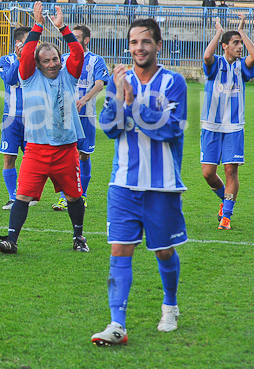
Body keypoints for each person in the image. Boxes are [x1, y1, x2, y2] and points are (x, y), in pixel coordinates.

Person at [92, 18, 187, 346]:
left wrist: (133, 103)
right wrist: (118, 98)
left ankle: (170, 306)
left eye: (145, 42)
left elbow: (170, 128)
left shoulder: (174, 82)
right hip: (123, 183)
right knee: (120, 249)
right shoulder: (122, 81)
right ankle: (117, 323)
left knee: (163, 251)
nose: (139, 48)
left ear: (158, 45)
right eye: (133, 42)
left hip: (161, 184)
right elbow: (108, 128)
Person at [0, 2, 88, 254]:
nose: (53, 63)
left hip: (66, 148)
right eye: (46, 61)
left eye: (55, 58)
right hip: (36, 149)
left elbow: (77, 54)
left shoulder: (69, 75)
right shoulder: (29, 77)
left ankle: (79, 237)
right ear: (37, 63)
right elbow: (29, 51)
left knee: (74, 197)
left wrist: (63, 28)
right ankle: (11, 241)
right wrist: (38, 25)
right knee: (22, 196)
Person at [200, 14, 254, 231]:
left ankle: (227, 217)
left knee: (231, 171)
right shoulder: (216, 64)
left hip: (234, 127)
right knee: (208, 173)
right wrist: (218, 32)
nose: (239, 47)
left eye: (240, 43)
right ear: (225, 46)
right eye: (236, 43)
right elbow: (206, 55)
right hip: (210, 126)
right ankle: (226, 200)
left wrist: (242, 31)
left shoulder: (242, 66)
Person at [52, 25, 109, 211]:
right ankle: (64, 197)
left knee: (83, 156)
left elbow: (100, 84)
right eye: (70, 37)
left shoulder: (96, 60)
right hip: (66, 117)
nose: (72, 41)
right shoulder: (64, 59)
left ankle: (82, 195)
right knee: (66, 156)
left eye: (76, 37)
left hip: (87, 116)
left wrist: (84, 99)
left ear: (86, 40)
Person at [0, 26, 31, 209]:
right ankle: (13, 197)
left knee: (32, 158)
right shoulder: (5, 60)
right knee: (9, 158)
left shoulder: (36, 60)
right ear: (18, 42)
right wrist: (19, 59)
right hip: (11, 118)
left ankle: (29, 193)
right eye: (29, 39)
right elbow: (10, 79)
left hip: (33, 117)